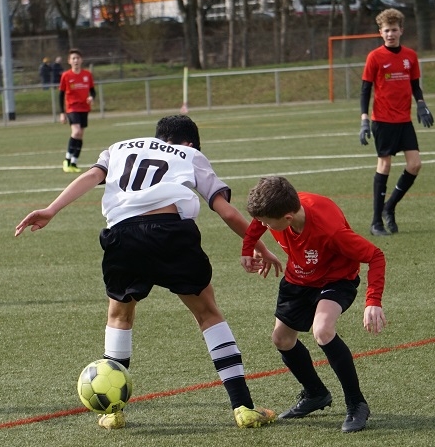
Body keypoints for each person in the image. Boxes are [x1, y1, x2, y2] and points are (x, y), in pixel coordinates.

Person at [15, 115, 277, 430]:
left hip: (123, 235)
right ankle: (243, 407)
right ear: (189, 143)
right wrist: (259, 247)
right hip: (171, 233)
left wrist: (51, 209)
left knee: (119, 317)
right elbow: (227, 211)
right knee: (208, 314)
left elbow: (91, 176)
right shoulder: (190, 155)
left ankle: (112, 412)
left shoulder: (118, 148)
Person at [241, 176, 386, 433]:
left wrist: (373, 301)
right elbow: (257, 221)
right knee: (282, 339)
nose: (262, 225)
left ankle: (357, 403)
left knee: (323, 330)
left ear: (287, 218)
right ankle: (316, 393)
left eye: (267, 223)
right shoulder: (279, 209)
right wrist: (248, 248)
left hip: (336, 278)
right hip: (298, 278)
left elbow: (375, 255)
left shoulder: (330, 231)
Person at [359, 8, 434, 237]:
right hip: (382, 121)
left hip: (404, 120)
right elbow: (365, 90)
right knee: (384, 165)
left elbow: (415, 85)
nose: (390, 34)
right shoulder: (374, 57)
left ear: (401, 30)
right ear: (380, 32)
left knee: (415, 165)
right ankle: (376, 222)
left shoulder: (410, 56)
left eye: (394, 30)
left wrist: (421, 104)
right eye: (386, 30)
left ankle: (389, 206)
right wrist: (364, 120)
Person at [58, 48, 95, 173]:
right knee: (76, 131)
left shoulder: (87, 75)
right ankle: (67, 160)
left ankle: (74, 162)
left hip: (84, 108)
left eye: (77, 58)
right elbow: (61, 95)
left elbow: (93, 91)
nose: (76, 60)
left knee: (80, 135)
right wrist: (62, 112)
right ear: (69, 61)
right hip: (72, 107)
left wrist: (92, 97)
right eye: (73, 58)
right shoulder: (66, 75)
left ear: (81, 60)